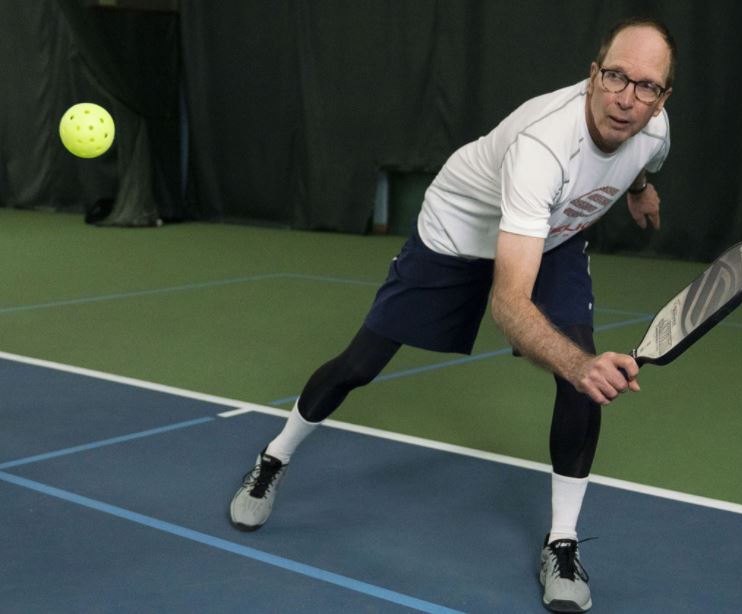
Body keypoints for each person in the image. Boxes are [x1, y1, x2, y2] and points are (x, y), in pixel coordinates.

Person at [230, 17, 675, 613]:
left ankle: (562, 541)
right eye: (616, 77)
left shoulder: (653, 130)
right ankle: (274, 457)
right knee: (361, 363)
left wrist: (641, 188)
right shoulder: (544, 145)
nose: (628, 98)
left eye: (646, 86)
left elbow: (635, 158)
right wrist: (579, 363)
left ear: (661, 98)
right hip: (458, 232)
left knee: (578, 387)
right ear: (593, 75)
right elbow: (509, 302)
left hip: (553, 234)